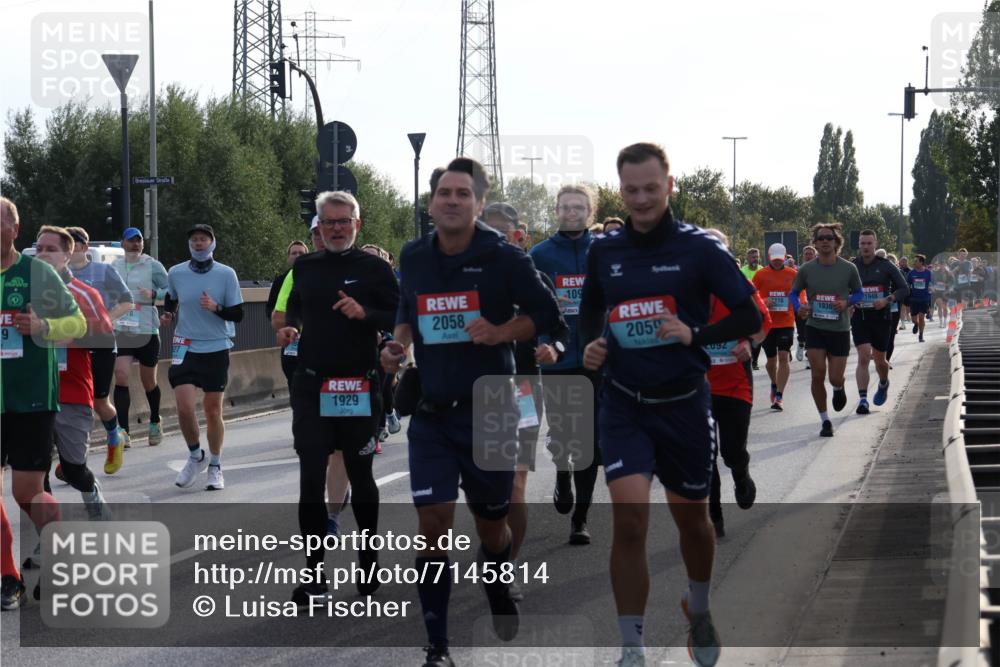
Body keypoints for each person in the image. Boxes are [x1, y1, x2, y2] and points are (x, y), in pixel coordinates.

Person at [579, 143, 762, 667]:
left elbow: (749, 316)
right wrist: (593, 341)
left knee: (694, 523)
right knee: (630, 521)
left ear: (669, 186)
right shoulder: (605, 251)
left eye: (650, 188)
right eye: (631, 190)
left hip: (683, 404)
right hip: (625, 404)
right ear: (621, 190)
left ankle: (698, 608)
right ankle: (631, 646)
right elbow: (592, 305)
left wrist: (696, 333)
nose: (641, 199)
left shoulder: (700, 249)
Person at [381, 157, 560, 667]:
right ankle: (438, 645)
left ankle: (498, 582)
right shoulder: (413, 255)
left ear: (478, 204)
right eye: (445, 193)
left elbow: (545, 314)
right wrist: (396, 345)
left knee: (491, 526)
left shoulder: (504, 257)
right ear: (432, 202)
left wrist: (502, 332)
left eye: (464, 194)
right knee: (433, 524)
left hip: (493, 409)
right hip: (433, 414)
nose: (453, 201)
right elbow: (406, 310)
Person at [276, 190, 399, 605]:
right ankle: (314, 574)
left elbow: (399, 316)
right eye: (328, 222)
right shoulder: (306, 267)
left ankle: (367, 560)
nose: (336, 228)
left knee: (361, 476)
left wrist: (367, 315)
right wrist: (289, 327)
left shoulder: (375, 269)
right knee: (310, 480)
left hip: (358, 385)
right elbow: (293, 307)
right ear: (318, 227)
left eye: (344, 221)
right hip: (312, 384)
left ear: (356, 224)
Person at [0, 197, 86, 609]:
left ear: (14, 229)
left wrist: (42, 325)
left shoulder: (37, 273)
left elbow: (78, 322)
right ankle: (8, 576)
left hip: (31, 397)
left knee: (26, 492)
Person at [483, 201, 569, 598]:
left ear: (520, 236)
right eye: (490, 232)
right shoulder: (463, 277)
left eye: (505, 233)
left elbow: (559, 330)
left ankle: (506, 566)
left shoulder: (533, 279)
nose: (498, 240)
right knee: (483, 490)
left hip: (520, 388)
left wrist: (553, 347)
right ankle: (493, 543)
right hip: (469, 391)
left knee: (514, 484)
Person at [529, 184, 604, 545]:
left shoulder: (605, 251)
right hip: (557, 359)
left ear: (591, 211)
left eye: (579, 206)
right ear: (556, 211)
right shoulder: (540, 255)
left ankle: (581, 518)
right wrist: (542, 344)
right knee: (562, 432)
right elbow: (531, 308)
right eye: (565, 206)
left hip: (597, 359)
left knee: (589, 439)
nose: (572, 212)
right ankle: (561, 472)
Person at [272, 218, 352, 537]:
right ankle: (323, 509)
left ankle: (332, 515)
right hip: (309, 370)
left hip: (349, 371)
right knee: (315, 447)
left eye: (328, 231)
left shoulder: (361, 269)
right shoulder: (298, 273)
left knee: (341, 448)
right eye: (315, 233)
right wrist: (292, 325)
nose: (321, 238)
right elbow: (279, 316)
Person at [34, 226, 112, 518]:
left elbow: (106, 341)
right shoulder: (21, 291)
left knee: (73, 469)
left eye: (50, 249)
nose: (42, 254)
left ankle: (91, 493)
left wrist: (101, 394)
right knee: (34, 472)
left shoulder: (83, 294)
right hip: (31, 394)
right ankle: (48, 533)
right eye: (39, 248)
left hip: (72, 392)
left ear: (68, 255)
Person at [161, 224, 243, 490]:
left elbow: (238, 314)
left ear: (212, 243)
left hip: (216, 346)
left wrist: (216, 307)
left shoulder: (226, 274)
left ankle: (216, 464)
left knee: (212, 409)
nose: (198, 244)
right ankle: (196, 455)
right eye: (194, 240)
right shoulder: (176, 272)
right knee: (184, 408)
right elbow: (170, 298)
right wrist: (168, 313)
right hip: (184, 344)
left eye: (203, 239)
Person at [702, 229, 771, 538]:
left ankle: (741, 476)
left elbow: (763, 320)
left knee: (731, 452)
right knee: (705, 456)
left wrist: (750, 344)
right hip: (696, 387)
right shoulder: (684, 288)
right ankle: (713, 517)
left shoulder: (738, 286)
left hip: (734, 384)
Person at [65, 227, 132, 469]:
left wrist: (103, 319)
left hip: (100, 344)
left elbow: (127, 302)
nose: (64, 251)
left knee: (99, 400)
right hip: (69, 347)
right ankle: (70, 458)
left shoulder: (103, 271)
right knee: (69, 401)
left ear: (82, 247)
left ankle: (115, 437)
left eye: (69, 245)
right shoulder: (56, 275)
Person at [790, 223, 863, 437]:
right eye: (820, 238)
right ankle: (825, 420)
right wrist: (799, 307)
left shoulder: (848, 268)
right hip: (815, 327)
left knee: (834, 378)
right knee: (817, 373)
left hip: (839, 329)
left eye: (828, 238)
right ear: (815, 242)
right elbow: (793, 294)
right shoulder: (806, 269)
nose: (824, 241)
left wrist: (847, 302)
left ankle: (839, 389)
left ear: (836, 242)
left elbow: (859, 293)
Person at [111, 227, 169, 446]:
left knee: (148, 381)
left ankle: (154, 420)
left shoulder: (153, 265)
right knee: (121, 374)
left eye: (139, 240)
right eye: (131, 240)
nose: (136, 244)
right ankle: (123, 431)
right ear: (122, 243)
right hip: (122, 328)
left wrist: (155, 294)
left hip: (146, 328)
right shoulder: (114, 266)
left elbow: (170, 289)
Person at [849, 231, 908, 415]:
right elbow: (841, 288)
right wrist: (849, 301)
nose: (865, 246)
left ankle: (883, 382)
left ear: (875, 244)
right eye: (862, 243)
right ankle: (863, 400)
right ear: (859, 245)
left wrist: (887, 300)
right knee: (864, 356)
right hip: (860, 317)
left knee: (880, 360)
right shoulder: (852, 266)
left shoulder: (886, 266)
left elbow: (904, 289)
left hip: (881, 318)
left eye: (869, 243)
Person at [752, 243, 797, 410]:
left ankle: (779, 396)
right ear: (769, 257)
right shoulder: (760, 274)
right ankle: (774, 383)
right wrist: (763, 302)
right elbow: (751, 296)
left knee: (784, 357)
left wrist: (802, 305)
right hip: (768, 323)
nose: (777, 262)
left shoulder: (792, 274)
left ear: (785, 257)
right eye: (774, 259)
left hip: (786, 321)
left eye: (780, 259)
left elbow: (800, 293)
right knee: (771, 362)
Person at [267, 238, 310, 388]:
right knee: (294, 383)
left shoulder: (315, 275)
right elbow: (272, 308)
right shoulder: (282, 280)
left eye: (301, 253)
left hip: (313, 340)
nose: (297, 256)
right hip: (291, 341)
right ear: (288, 257)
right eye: (294, 253)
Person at [794, 245, 816, 363]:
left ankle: (809, 356)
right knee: (801, 330)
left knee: (811, 331)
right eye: (806, 254)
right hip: (801, 305)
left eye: (810, 254)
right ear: (803, 256)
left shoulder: (819, 269)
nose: (808, 256)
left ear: (814, 255)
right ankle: (801, 344)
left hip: (815, 305)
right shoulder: (798, 270)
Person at [907, 254, 932, 342]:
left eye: (916, 261)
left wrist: (931, 288)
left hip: (924, 298)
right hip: (914, 299)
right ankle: (916, 324)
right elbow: (907, 284)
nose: (914, 262)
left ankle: (921, 335)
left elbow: (932, 283)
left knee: (921, 317)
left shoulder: (928, 273)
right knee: (914, 319)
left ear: (921, 262)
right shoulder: (911, 273)